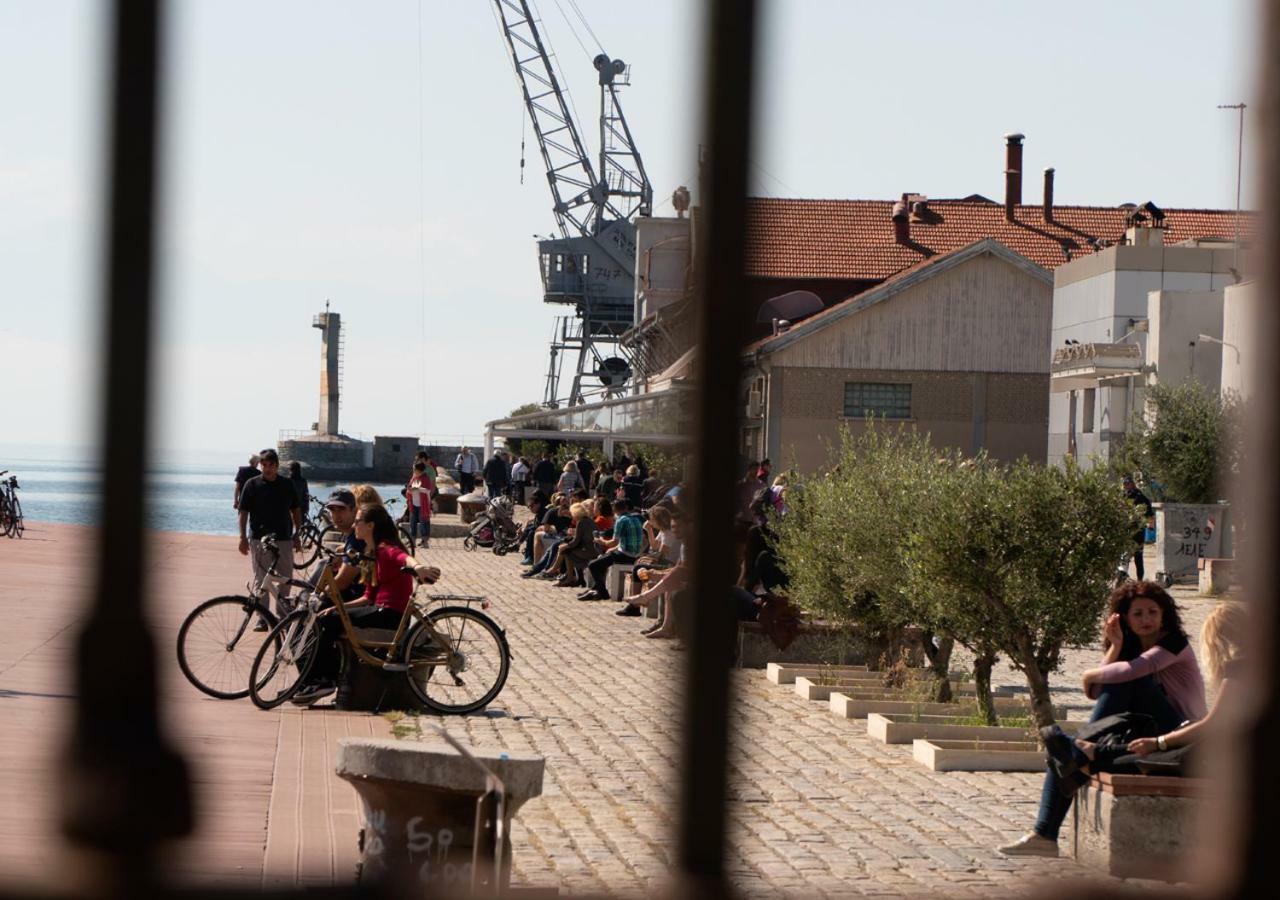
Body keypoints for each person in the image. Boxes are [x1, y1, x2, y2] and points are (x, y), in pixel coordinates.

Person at [999, 581, 1206, 857]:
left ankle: (1078, 750)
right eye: (1138, 614)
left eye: (1152, 612)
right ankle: (1044, 836)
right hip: (1144, 729)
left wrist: (1088, 675)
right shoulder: (1130, 650)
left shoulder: (1174, 643)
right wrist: (1115, 647)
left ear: (1164, 614)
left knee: (1134, 684)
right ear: (1125, 619)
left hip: (1180, 734)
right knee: (1066, 756)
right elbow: (1099, 692)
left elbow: (1122, 675)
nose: (1146, 620)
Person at [290, 503, 440, 706]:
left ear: (370, 526)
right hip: (376, 608)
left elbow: (403, 557)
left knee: (327, 625)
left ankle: (324, 680)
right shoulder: (371, 553)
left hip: (389, 614)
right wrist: (339, 608)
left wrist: (419, 568)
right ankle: (320, 680)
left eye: (358, 521)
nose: (354, 526)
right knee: (328, 617)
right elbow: (368, 597)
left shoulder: (386, 549)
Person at [237, 449, 302, 616]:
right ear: (260, 465)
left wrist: (297, 534)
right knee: (261, 579)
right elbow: (243, 512)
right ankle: (263, 616)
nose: (267, 469)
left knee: (285, 578)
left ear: (277, 466)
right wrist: (242, 538)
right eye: (264, 465)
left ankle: (282, 614)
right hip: (259, 539)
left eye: (271, 465)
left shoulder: (287, 484)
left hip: (284, 538)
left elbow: (296, 510)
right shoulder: (251, 484)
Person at [578, 497, 644, 601]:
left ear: (614, 509)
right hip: (635, 554)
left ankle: (602, 593)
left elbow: (613, 542)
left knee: (593, 565)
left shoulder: (620, 520)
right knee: (603, 559)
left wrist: (601, 541)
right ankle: (595, 588)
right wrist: (613, 548)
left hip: (625, 555)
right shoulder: (635, 519)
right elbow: (626, 541)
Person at [1123, 474, 1154, 581]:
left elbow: (1149, 512)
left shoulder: (1139, 496)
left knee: (1137, 556)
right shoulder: (1125, 496)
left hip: (1137, 530)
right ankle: (1123, 577)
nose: (1125, 486)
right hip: (1127, 530)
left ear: (1132, 484)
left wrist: (1150, 524)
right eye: (1124, 484)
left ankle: (1139, 579)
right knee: (1127, 556)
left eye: (1127, 484)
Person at [407, 462, 433, 546]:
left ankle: (424, 541)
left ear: (419, 470)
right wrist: (410, 490)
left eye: (415, 469)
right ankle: (413, 541)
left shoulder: (426, 478)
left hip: (423, 505)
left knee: (423, 522)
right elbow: (409, 489)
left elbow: (428, 490)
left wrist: (418, 489)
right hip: (413, 503)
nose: (414, 471)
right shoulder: (413, 478)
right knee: (412, 522)